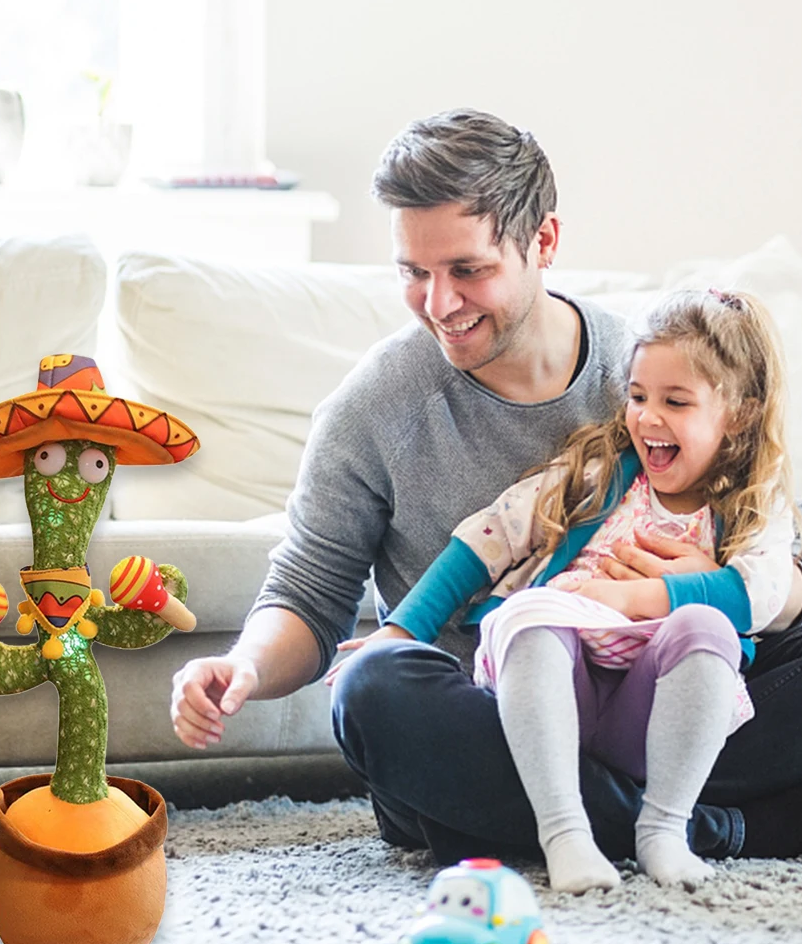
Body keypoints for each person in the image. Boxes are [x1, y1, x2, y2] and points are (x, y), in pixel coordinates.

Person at [169, 107, 802, 867]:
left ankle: (605, 817)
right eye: (414, 273)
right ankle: (705, 825)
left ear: (544, 242)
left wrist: (697, 589)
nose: (439, 304)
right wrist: (244, 665)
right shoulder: (374, 407)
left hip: (667, 689)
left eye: (467, 270)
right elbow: (308, 591)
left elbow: (777, 557)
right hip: (495, 715)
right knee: (372, 689)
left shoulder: (649, 374)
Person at [326, 288, 799, 892]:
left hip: (661, 717)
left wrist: (636, 598)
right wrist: (400, 630)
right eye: (638, 397)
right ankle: (567, 831)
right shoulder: (597, 473)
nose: (648, 418)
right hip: (549, 698)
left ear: (740, 414)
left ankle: (661, 829)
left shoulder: (756, 503)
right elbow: (488, 539)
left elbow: (765, 591)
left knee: (705, 627)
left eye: (675, 402)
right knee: (503, 626)